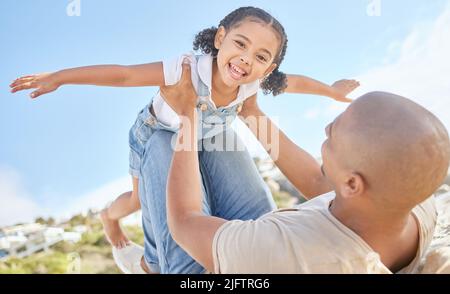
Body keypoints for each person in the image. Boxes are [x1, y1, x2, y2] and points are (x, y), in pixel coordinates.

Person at [9, 6, 358, 273]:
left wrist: (331, 91)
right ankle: (109, 218)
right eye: (240, 44)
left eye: (261, 57)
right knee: (138, 199)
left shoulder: (252, 85)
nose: (246, 60)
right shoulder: (187, 69)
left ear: (268, 69)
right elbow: (125, 74)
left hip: (208, 134)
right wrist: (60, 77)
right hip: (156, 131)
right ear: (220, 38)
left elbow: (296, 83)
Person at [161, 63, 450, 273]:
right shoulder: (414, 201)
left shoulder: (298, 257)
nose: (326, 127)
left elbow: (185, 222)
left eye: (333, 133)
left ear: (352, 184)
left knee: (162, 140)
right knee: (216, 136)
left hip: (221, 265)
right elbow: (317, 182)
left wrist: (187, 116)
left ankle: (150, 264)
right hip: (267, 243)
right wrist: (252, 114)